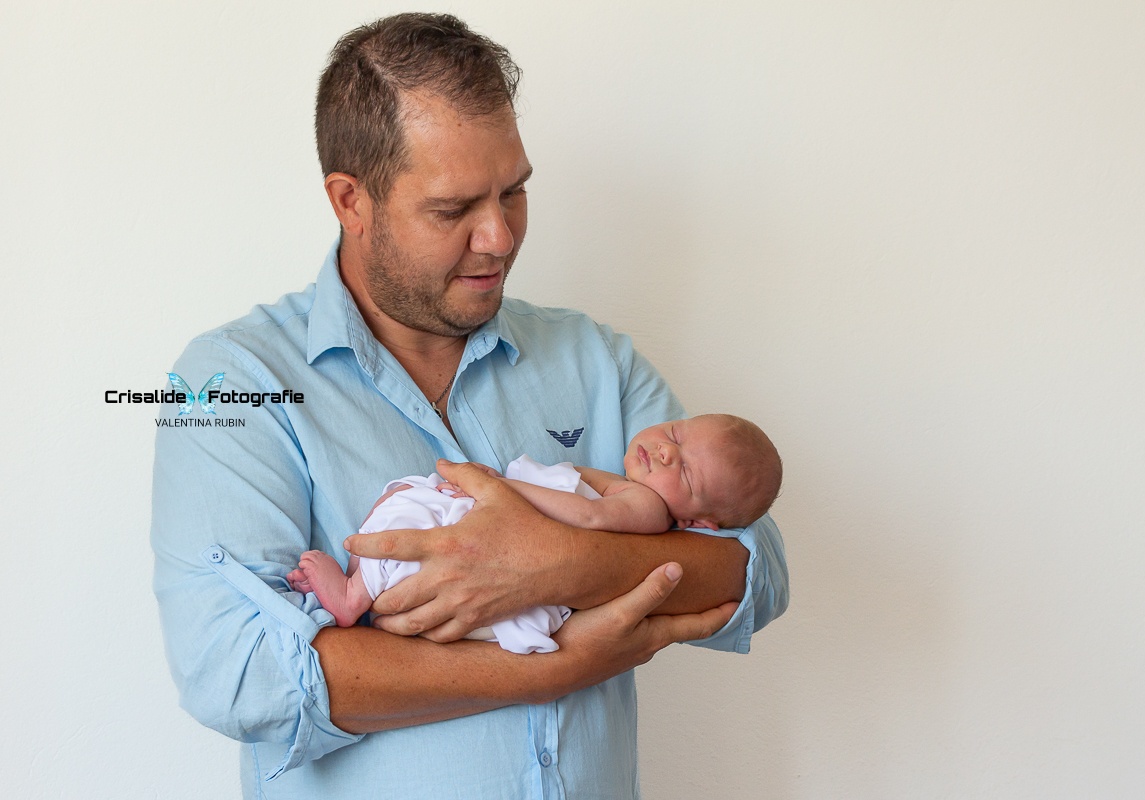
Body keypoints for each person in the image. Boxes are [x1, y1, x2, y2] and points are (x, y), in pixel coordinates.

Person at [151, 12, 789, 798]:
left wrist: (565, 563)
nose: (498, 237)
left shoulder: (595, 358)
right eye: (453, 210)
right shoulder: (230, 382)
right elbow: (240, 672)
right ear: (351, 201)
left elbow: (751, 568)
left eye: (514, 192)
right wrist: (549, 669)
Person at [288, 414, 783, 654]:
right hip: (495, 544)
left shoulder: (648, 508)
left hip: (503, 535)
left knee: (411, 509)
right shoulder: (639, 489)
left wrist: (503, 489)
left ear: (698, 524)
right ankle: (359, 584)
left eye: (689, 475)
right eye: (675, 432)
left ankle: (354, 593)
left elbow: (583, 519)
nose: (667, 451)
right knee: (406, 504)